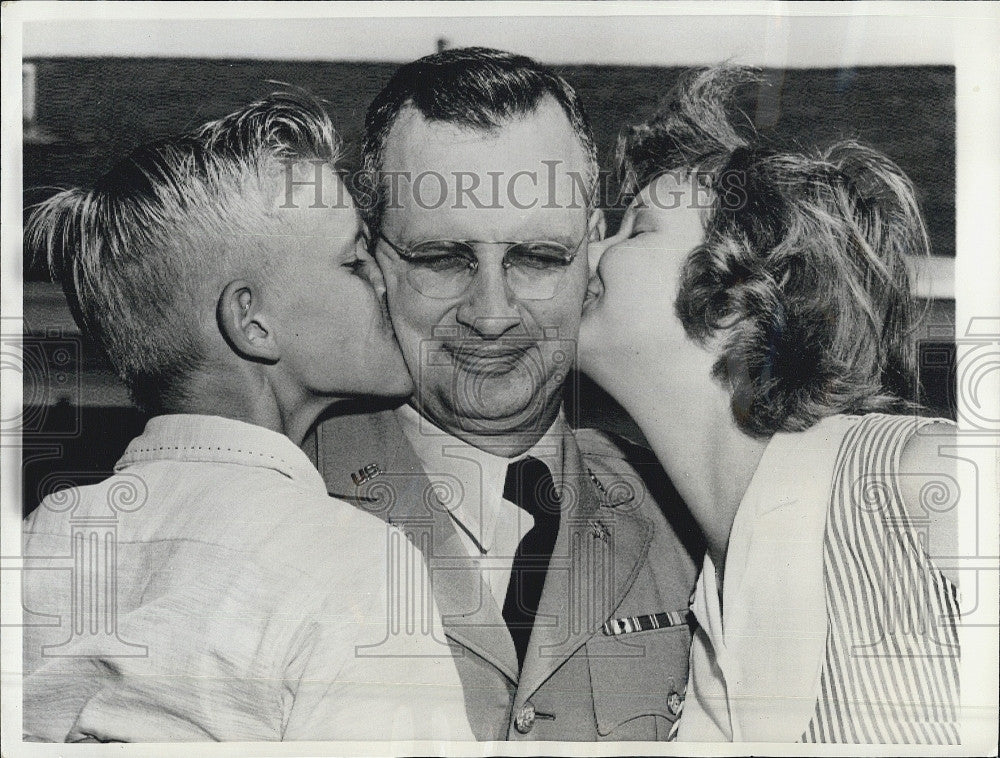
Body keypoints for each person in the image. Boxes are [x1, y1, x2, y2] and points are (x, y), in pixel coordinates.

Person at [22, 93, 473, 742]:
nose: (390, 279)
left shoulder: (44, 536)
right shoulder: (354, 563)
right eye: (354, 261)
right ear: (251, 323)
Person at [306, 47, 703, 741]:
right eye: (441, 259)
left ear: (594, 252)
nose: (491, 314)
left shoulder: (689, 517)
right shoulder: (286, 502)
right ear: (371, 260)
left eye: (538, 258)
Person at [578, 66, 961, 743]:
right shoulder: (704, 615)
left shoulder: (917, 473)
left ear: (745, 293)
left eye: (635, 230)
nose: (590, 255)